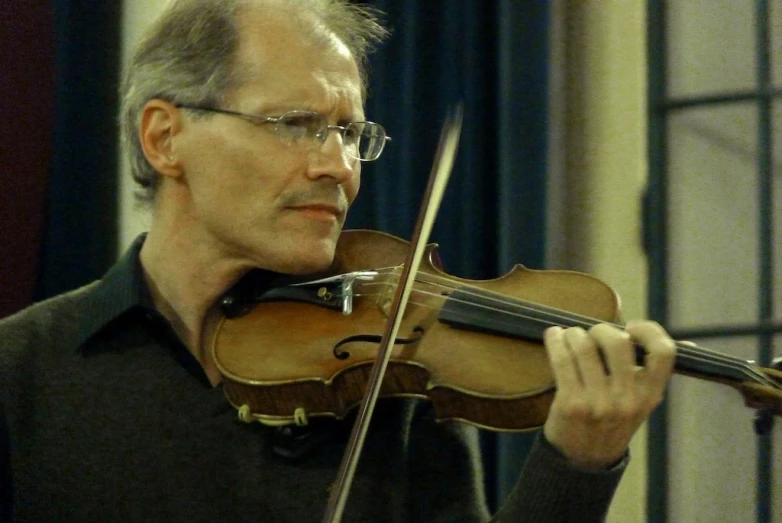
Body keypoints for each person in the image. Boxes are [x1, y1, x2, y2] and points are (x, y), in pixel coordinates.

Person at [0, 0, 677, 521]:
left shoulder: (392, 373)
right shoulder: (22, 373)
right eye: (296, 124)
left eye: (352, 133)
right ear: (164, 136)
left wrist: (577, 462)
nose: (340, 167)